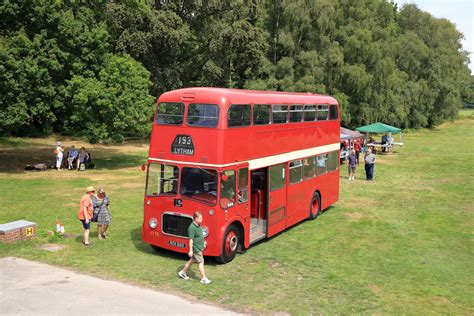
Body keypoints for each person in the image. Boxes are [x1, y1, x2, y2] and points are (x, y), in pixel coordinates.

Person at [178, 211, 212, 284]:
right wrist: (190, 250)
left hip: (199, 247)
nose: (202, 219)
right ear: (196, 218)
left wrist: (203, 243)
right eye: (200, 218)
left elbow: (199, 236)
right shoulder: (192, 227)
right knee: (201, 262)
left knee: (191, 261)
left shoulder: (197, 225)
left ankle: (183, 272)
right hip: (196, 249)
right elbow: (191, 240)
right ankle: (203, 278)